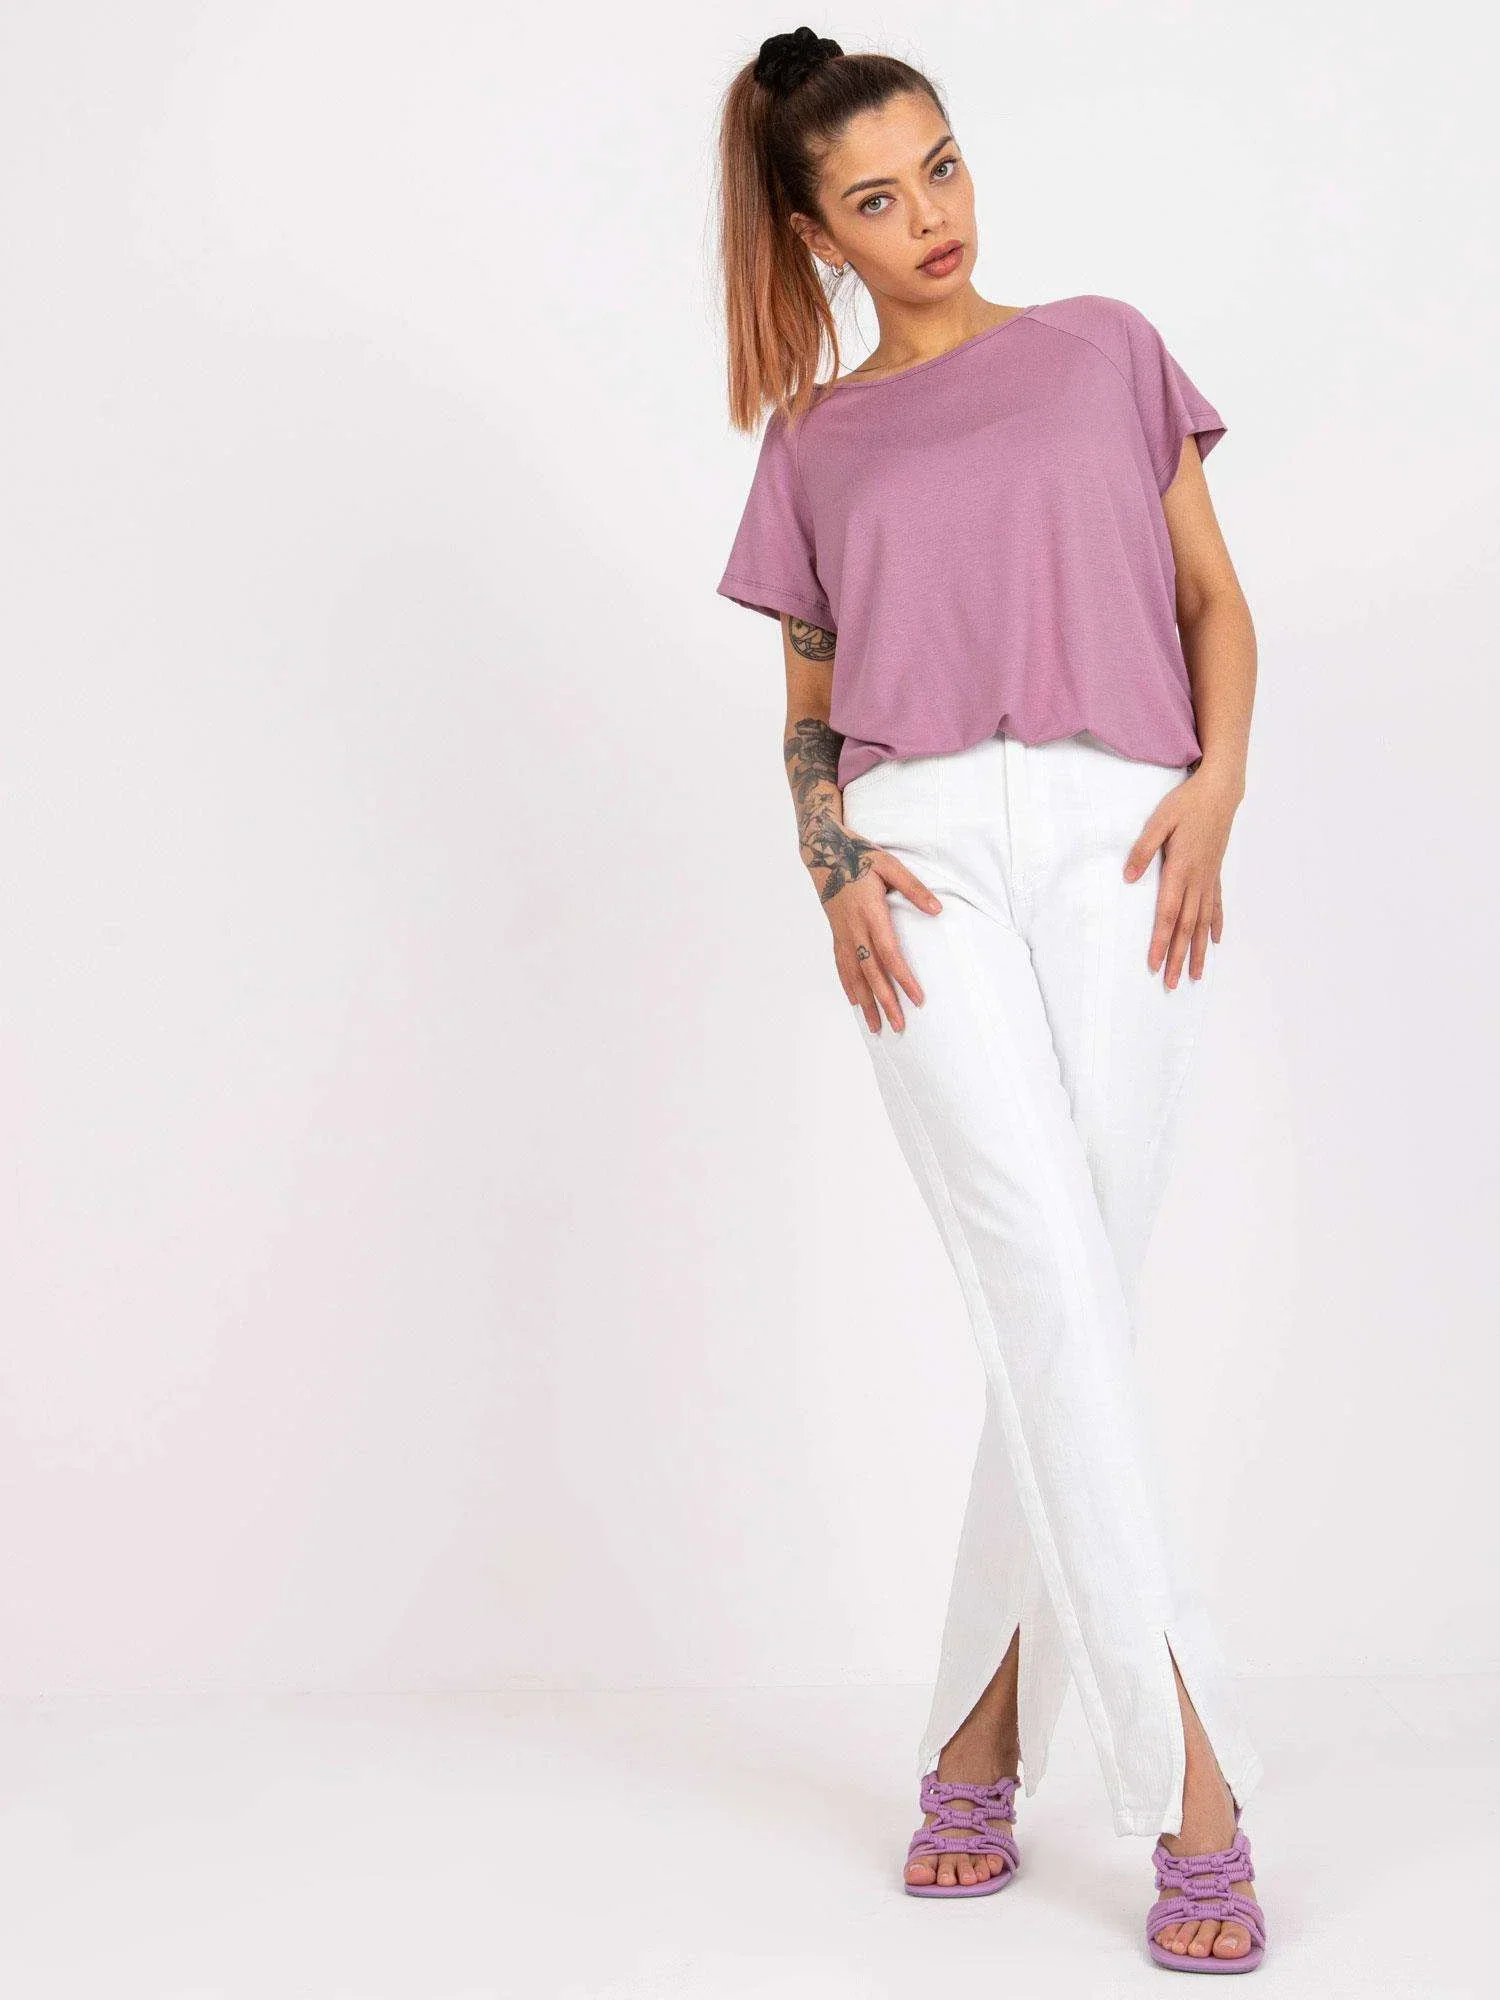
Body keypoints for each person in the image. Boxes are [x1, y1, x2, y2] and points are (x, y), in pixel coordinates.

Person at [711, 27, 1270, 1974]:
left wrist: (1218, 787)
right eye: (876, 200)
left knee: (1069, 1300)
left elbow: (1215, 602)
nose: (931, 219)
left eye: (941, 166)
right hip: (922, 855)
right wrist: (833, 867)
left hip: (1127, 831)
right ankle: (1197, 1787)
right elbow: (806, 709)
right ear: (819, 236)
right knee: (1042, 1271)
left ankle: (975, 1734)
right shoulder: (814, 444)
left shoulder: (1107, 348)